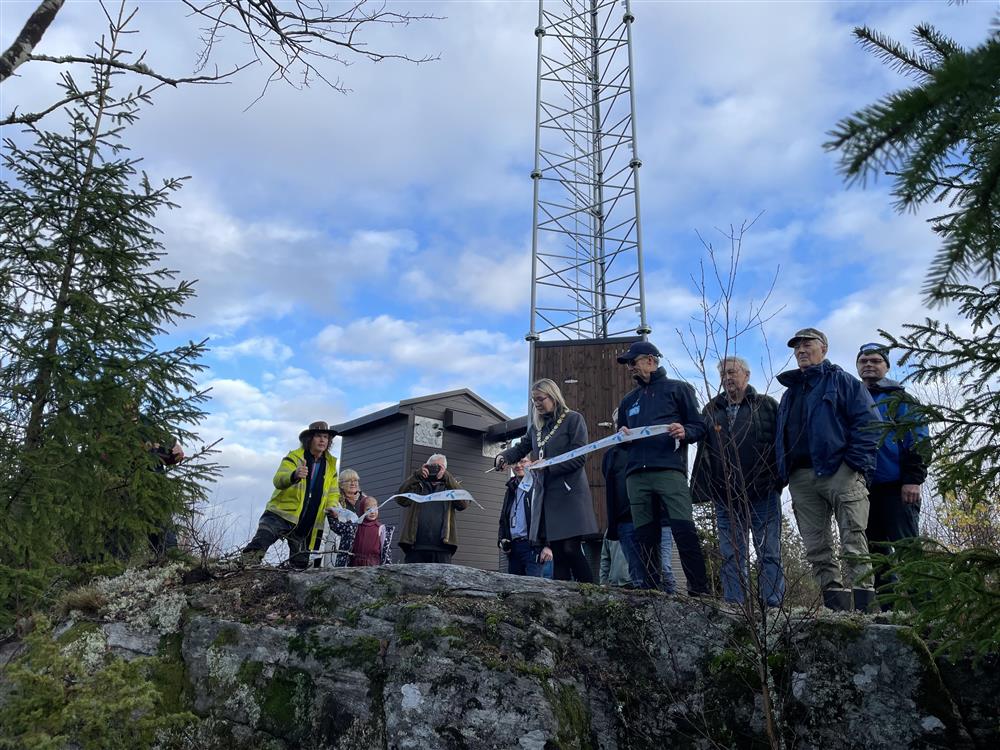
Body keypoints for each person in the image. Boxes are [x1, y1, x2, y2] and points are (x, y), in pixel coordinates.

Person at [776, 329, 880, 611]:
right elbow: (781, 436)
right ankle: (835, 608)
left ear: (824, 348)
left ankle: (865, 607)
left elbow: (870, 425)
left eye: (807, 345)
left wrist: (853, 464)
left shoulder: (844, 382)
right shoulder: (789, 393)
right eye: (796, 347)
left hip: (840, 472)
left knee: (854, 540)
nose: (800, 351)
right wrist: (783, 471)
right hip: (801, 478)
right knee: (816, 547)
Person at [616, 341, 710, 594]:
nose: (629, 368)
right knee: (644, 536)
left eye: (632, 362)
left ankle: (699, 591)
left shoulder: (679, 389)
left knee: (683, 530)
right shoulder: (628, 401)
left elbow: (700, 426)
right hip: (636, 475)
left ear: (650, 360)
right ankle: (651, 592)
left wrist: (685, 431)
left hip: (669, 470)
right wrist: (621, 436)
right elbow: (621, 438)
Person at [691, 356, 785, 608]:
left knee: (769, 553)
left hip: (763, 492)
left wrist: (777, 480)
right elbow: (703, 448)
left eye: (732, 372)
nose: (727, 378)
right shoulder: (711, 409)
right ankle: (735, 607)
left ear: (747, 375)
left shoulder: (766, 405)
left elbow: (780, 445)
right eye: (723, 375)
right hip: (726, 496)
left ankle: (773, 607)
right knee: (731, 555)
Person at [495, 378, 598, 583]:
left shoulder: (573, 420)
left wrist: (548, 465)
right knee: (558, 551)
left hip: (570, 494)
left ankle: (590, 592)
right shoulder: (536, 427)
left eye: (540, 399)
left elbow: (579, 457)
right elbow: (522, 447)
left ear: (553, 396)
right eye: (534, 401)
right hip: (548, 496)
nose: (537, 404)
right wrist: (503, 457)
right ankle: (561, 598)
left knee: (571, 548)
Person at [856, 342, 929, 600]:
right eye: (864, 361)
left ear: (886, 366)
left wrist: (913, 480)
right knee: (876, 556)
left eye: (875, 361)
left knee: (908, 551)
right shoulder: (853, 398)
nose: (869, 365)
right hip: (862, 490)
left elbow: (918, 439)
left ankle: (929, 617)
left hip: (898, 488)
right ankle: (890, 612)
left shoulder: (902, 399)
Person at [242, 421, 340, 568]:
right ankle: (239, 572)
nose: (322, 440)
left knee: (299, 565)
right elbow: (278, 480)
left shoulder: (330, 466)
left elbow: (333, 493)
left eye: (325, 437)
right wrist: (294, 475)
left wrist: (332, 507)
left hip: (308, 520)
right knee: (259, 545)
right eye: (318, 436)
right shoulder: (295, 457)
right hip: (281, 514)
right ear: (309, 439)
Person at [396, 454, 468, 564]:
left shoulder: (450, 487)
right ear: (425, 467)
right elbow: (400, 499)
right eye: (432, 467)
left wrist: (447, 478)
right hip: (415, 547)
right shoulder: (417, 485)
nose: (435, 470)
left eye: (439, 467)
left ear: (445, 469)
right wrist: (415, 476)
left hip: (442, 548)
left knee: (441, 581)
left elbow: (464, 504)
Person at [601, 412, 644, 588]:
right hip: (624, 520)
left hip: (650, 518)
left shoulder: (647, 449)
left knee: (662, 569)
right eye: (618, 422)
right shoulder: (610, 455)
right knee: (637, 573)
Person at [498, 458, 548, 577]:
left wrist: (547, 545)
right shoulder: (511, 488)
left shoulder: (538, 484)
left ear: (531, 463)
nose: (518, 465)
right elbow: (503, 517)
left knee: (533, 589)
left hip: (532, 547)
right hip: (513, 547)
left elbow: (546, 516)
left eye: (523, 461)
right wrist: (501, 539)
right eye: (515, 462)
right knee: (514, 590)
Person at [326, 495, 394, 567]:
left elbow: (386, 552)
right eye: (368, 510)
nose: (372, 512)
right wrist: (333, 517)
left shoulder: (381, 529)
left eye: (375, 509)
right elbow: (337, 527)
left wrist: (387, 568)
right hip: (354, 563)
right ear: (362, 510)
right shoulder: (354, 526)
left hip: (373, 564)